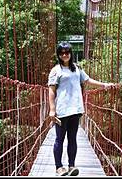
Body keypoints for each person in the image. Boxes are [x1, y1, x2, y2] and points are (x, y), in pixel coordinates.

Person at [47, 42, 112, 176]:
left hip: (75, 110)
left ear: (71, 53)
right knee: (59, 139)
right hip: (61, 110)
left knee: (73, 139)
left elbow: (88, 81)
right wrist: (52, 109)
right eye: (61, 53)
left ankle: (71, 166)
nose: (65, 55)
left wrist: (104, 85)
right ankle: (59, 167)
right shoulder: (55, 70)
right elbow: (51, 91)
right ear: (59, 55)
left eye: (67, 52)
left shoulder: (77, 68)